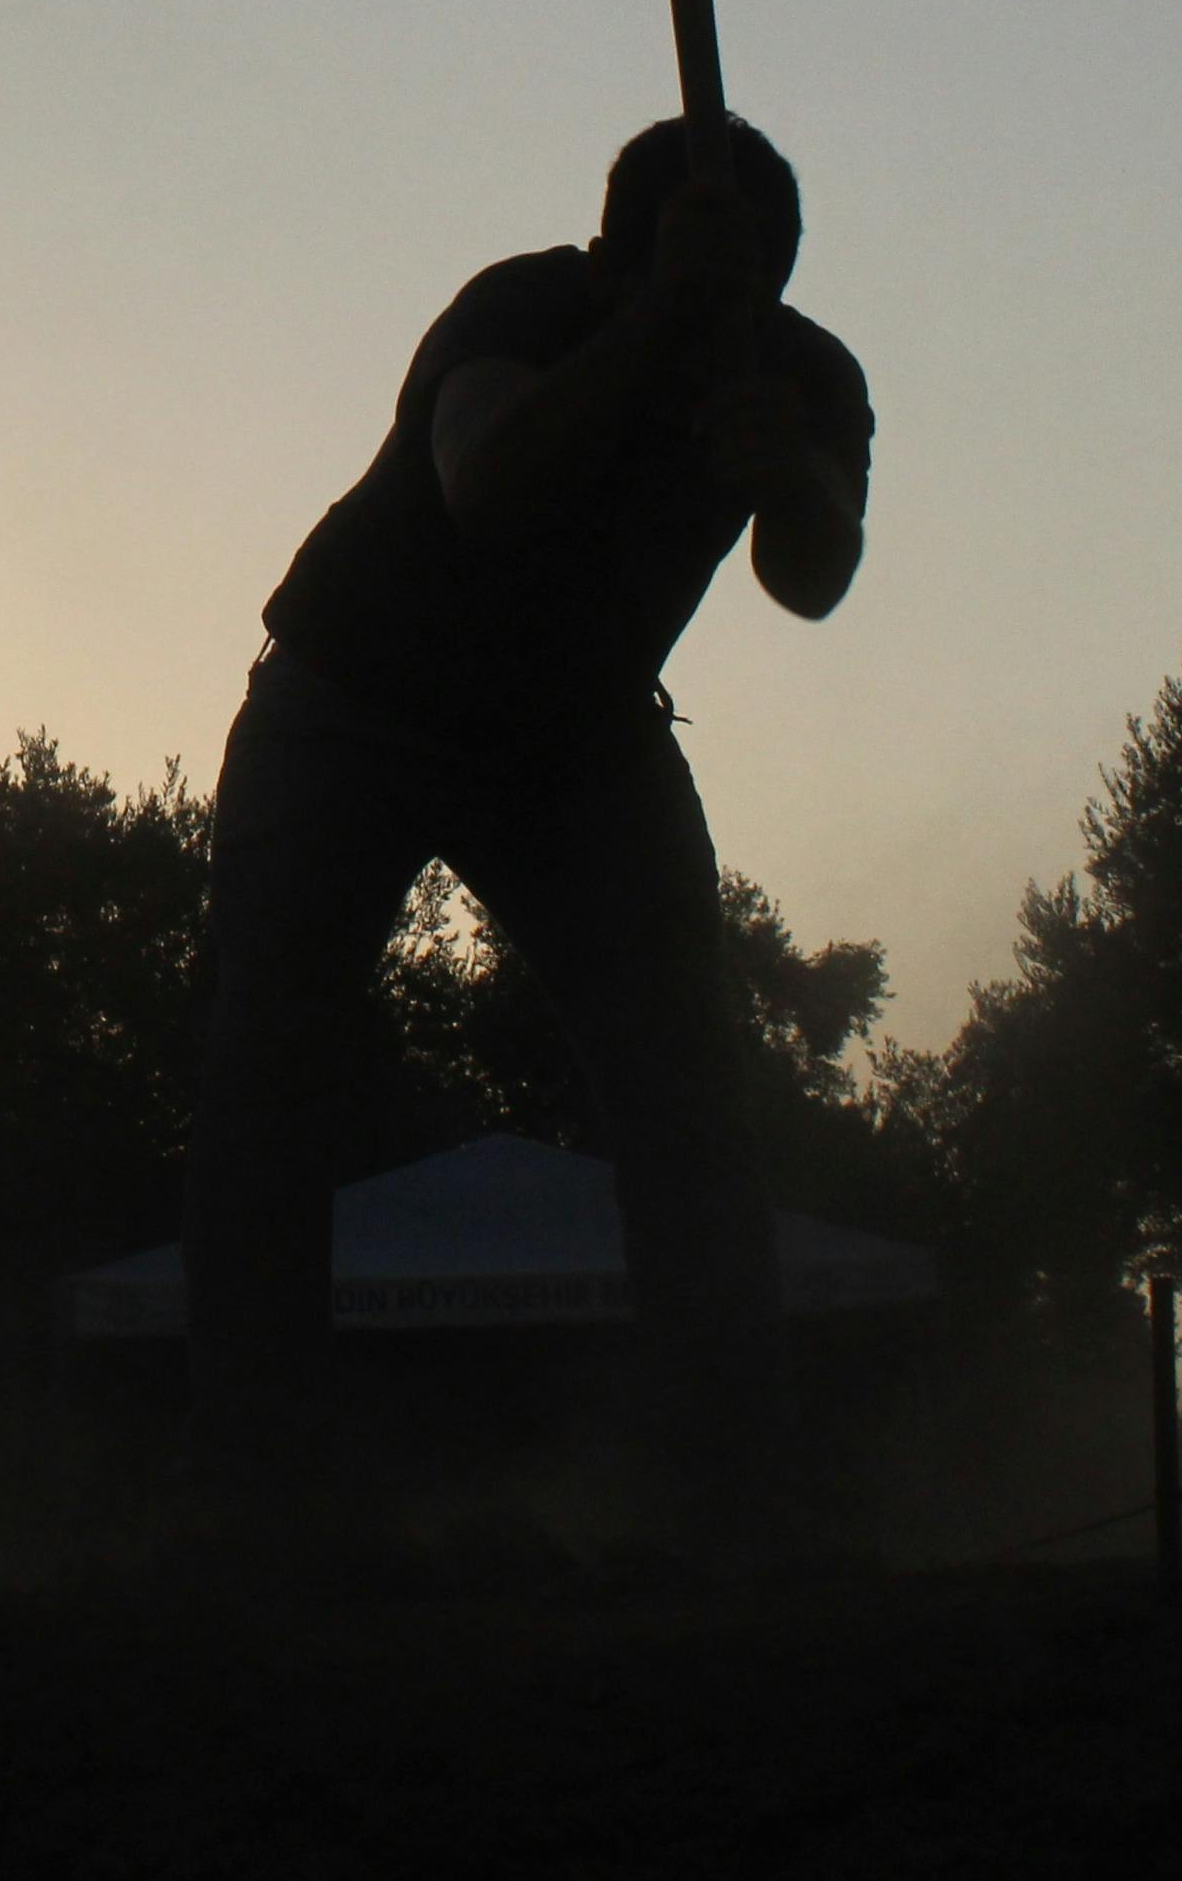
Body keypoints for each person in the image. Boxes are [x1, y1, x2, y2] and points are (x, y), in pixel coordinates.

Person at [184, 111, 869, 1534]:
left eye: (761, 277)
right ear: (621, 249)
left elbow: (814, 578)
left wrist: (783, 472)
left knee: (687, 1099)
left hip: (579, 742)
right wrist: (656, 330)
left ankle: (729, 1493)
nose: (740, 303)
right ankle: (257, 1501)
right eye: (698, 270)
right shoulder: (528, 306)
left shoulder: (801, 378)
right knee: (270, 1084)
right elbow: (485, 483)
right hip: (353, 704)